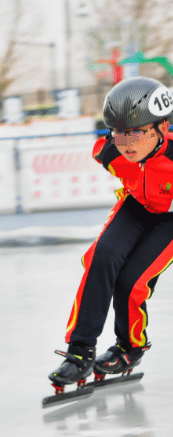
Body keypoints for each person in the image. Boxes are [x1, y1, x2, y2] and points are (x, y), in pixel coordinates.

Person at [49, 76, 173, 388]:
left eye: (135, 133)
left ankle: (130, 348)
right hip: (136, 208)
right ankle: (80, 351)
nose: (127, 144)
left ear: (162, 128)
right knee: (101, 259)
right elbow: (107, 149)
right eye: (118, 133)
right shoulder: (110, 153)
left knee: (131, 282)